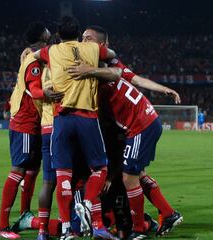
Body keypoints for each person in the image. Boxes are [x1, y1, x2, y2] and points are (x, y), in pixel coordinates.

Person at [67, 26, 183, 240]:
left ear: (101, 45)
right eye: (81, 38)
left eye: (88, 38)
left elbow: (126, 76)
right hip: (143, 122)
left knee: (129, 178)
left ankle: (138, 230)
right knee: (136, 174)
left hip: (141, 124)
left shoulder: (104, 69)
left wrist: (162, 89)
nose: (83, 41)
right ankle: (168, 213)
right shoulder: (105, 65)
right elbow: (134, 79)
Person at [34, 16, 117, 240]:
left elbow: (34, 55)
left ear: (59, 35)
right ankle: (89, 204)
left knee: (62, 176)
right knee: (99, 169)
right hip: (87, 117)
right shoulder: (91, 48)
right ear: (79, 34)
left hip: (61, 119)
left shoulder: (51, 51)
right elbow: (112, 55)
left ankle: (65, 230)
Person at [0, 22, 61, 239]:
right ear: (43, 37)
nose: (51, 35)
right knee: (19, 170)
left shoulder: (36, 56)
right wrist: (47, 93)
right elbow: (34, 89)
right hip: (25, 122)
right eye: (48, 33)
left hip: (37, 122)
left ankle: (25, 214)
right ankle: (3, 226)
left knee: (32, 171)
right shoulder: (33, 59)